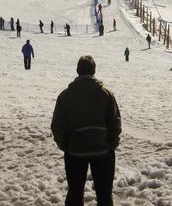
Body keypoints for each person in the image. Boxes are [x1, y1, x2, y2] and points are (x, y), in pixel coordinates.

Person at [51, 56, 121, 206]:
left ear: (77, 70)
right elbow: (115, 122)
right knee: (104, 196)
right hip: (102, 151)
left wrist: (65, 145)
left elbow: (57, 125)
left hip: (75, 151)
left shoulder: (65, 95)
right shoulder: (106, 93)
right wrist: (111, 145)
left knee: (74, 194)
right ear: (94, 70)